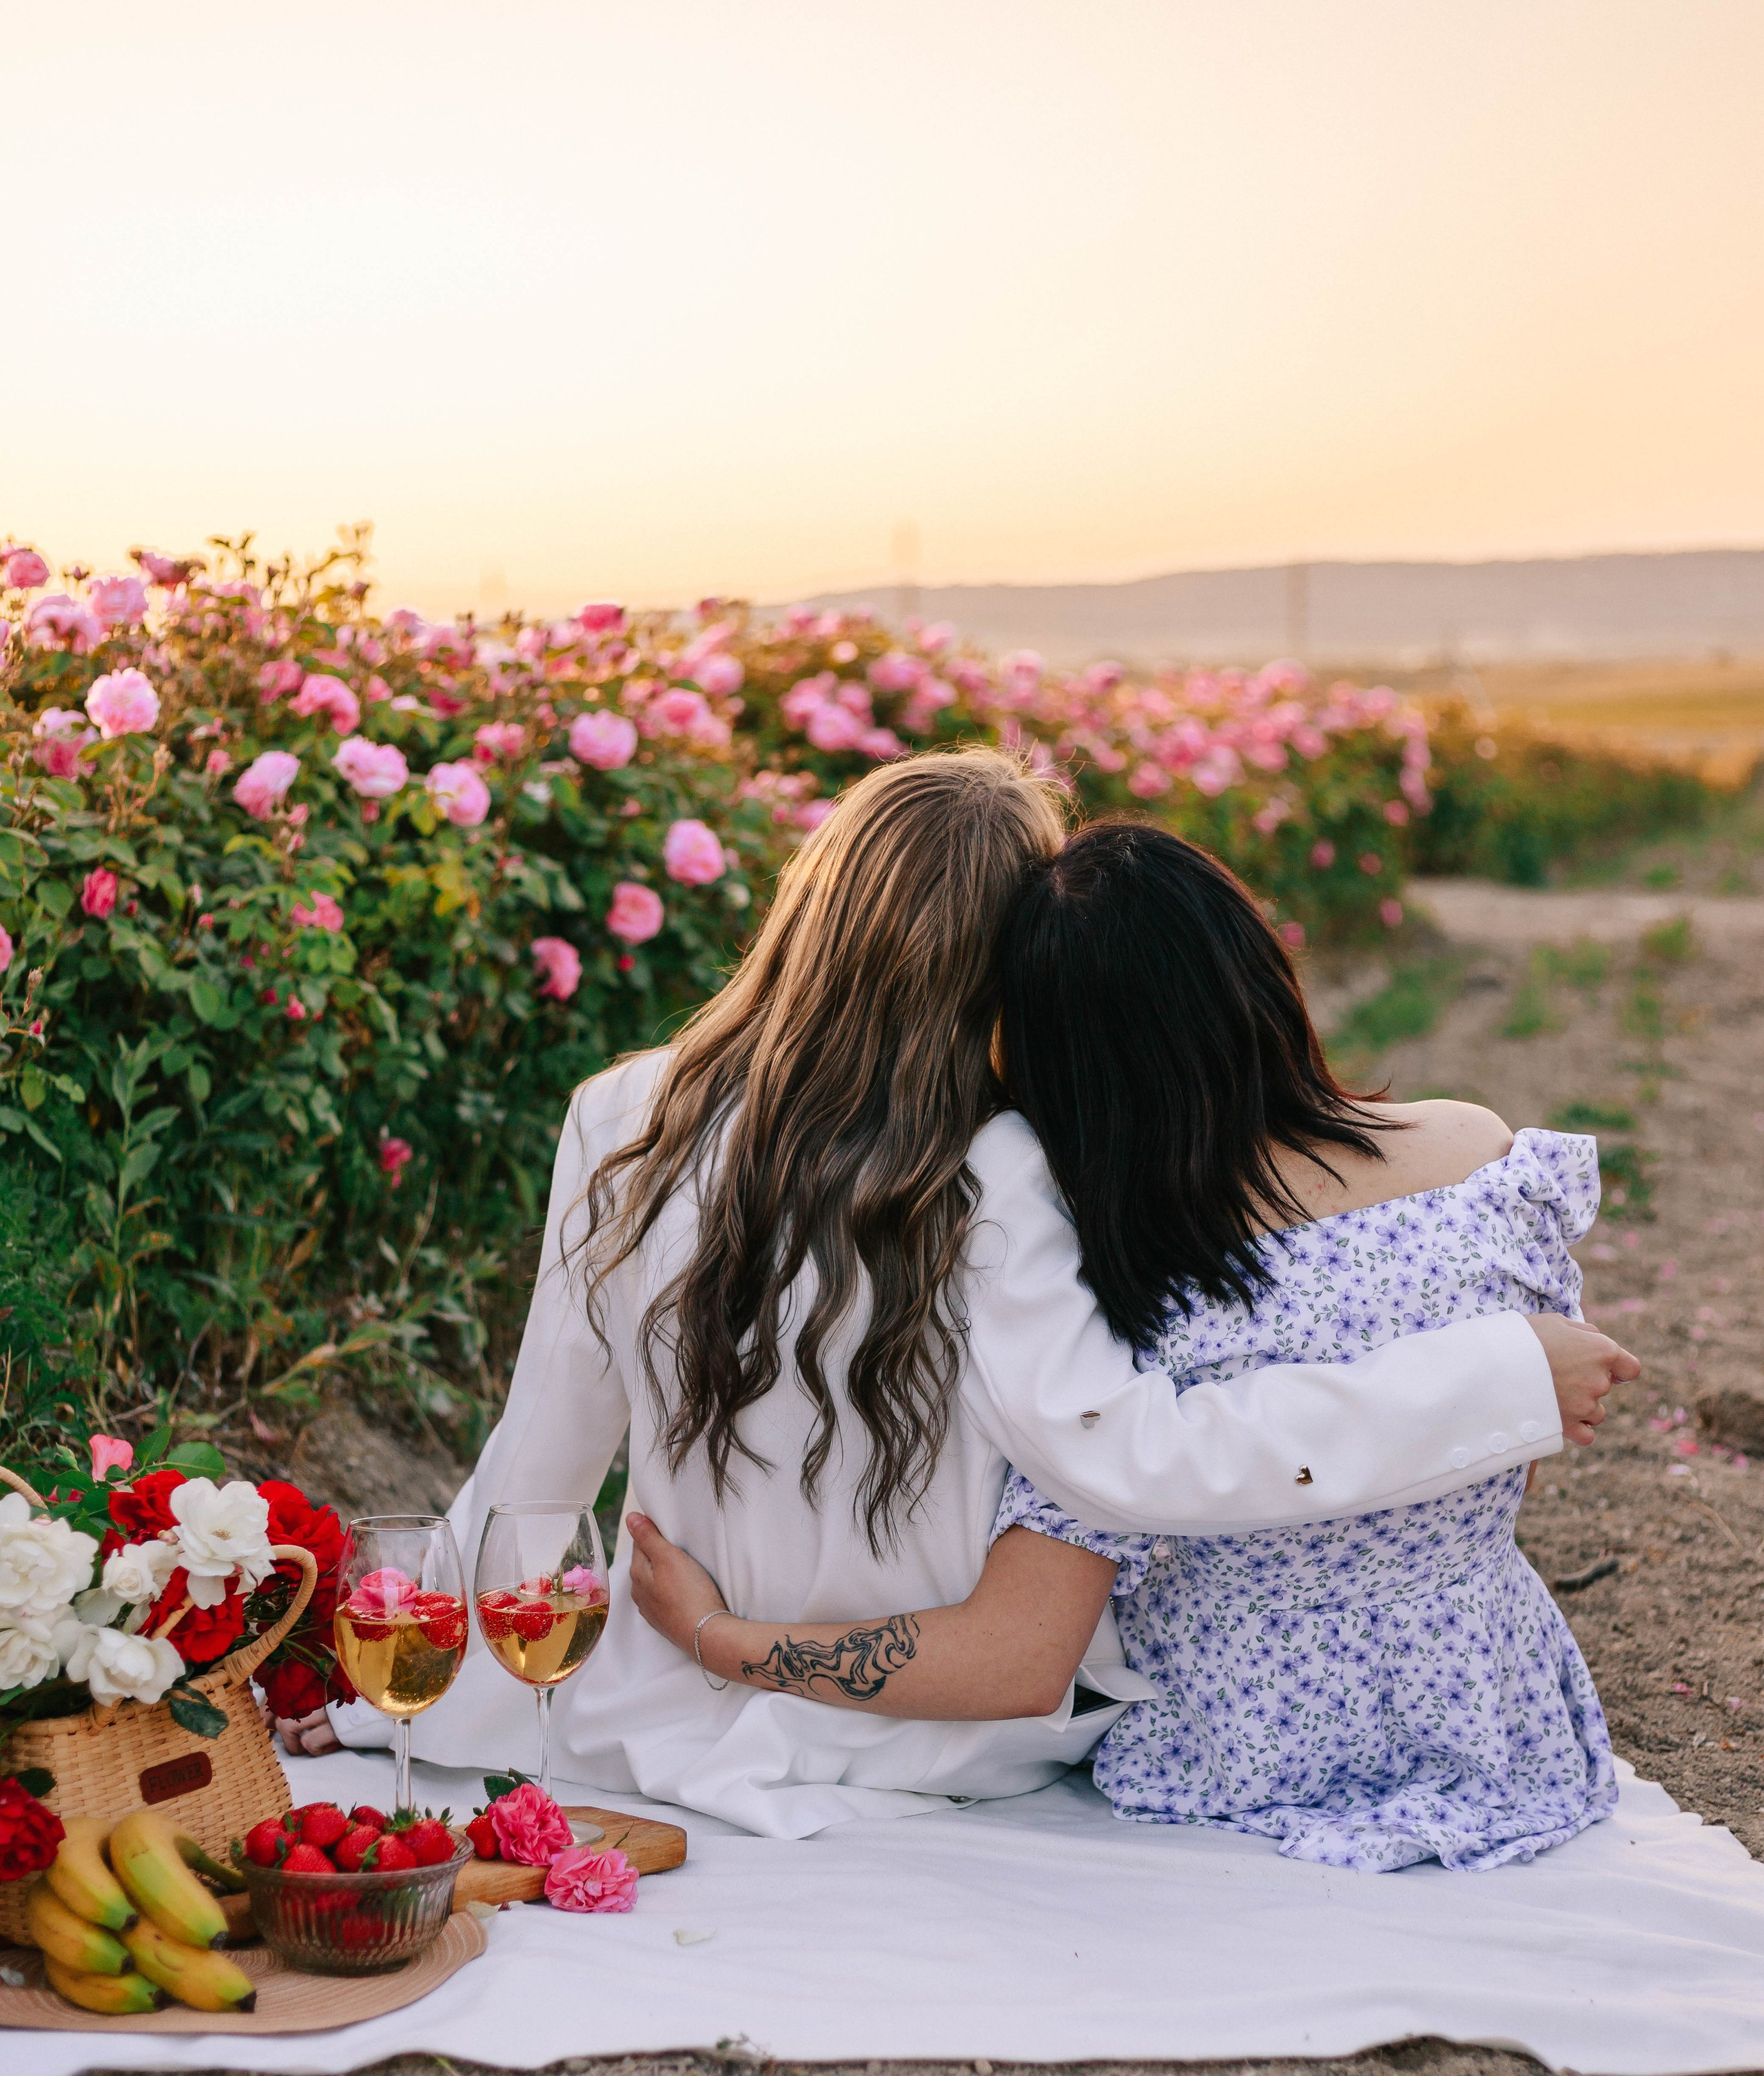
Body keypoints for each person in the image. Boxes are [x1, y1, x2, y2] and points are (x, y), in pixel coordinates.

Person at [299, 753, 1635, 1837]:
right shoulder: (1011, 1171)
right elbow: (1138, 1457)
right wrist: (1497, 1381)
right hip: (950, 1740)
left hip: (653, 1710)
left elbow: (536, 1470)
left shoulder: (620, 1117)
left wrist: (403, 1693)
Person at [626, 816, 1626, 1869]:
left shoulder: (1134, 1294)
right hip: (1495, 1721)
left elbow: (1016, 1657)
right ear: (1258, 970)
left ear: (1056, 1067)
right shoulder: (1484, 1164)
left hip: (1245, 1763)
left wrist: (719, 1640)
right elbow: (1512, 1460)